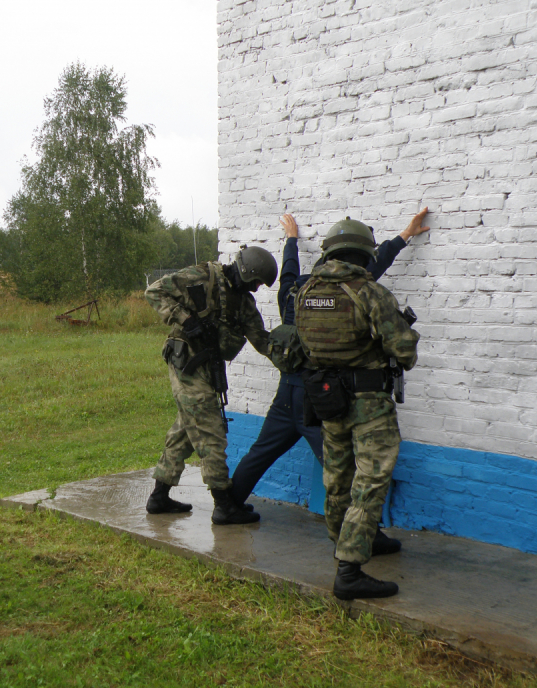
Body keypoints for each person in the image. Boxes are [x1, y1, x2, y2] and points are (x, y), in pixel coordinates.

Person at [230, 209, 429, 558]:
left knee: (263, 452)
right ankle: (365, 536)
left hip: (291, 390)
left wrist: (291, 239)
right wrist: (403, 236)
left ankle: (227, 503)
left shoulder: (298, 292)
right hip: (322, 393)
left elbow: (290, 268)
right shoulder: (350, 291)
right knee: (346, 471)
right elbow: (373, 266)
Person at [294, 219, 420, 600]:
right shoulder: (370, 293)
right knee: (370, 481)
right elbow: (405, 352)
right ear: (365, 253)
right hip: (369, 405)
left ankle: (350, 542)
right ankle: (349, 569)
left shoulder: (305, 292)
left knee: (337, 479)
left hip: (329, 400)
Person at [144, 244, 278, 525]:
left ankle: (159, 496)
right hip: (186, 364)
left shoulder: (243, 303)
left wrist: (298, 356)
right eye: (254, 282)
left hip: (207, 368)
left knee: (185, 431)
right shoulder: (201, 276)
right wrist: (185, 319)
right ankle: (224, 504)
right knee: (210, 432)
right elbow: (153, 291)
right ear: (245, 270)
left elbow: (263, 342)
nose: (254, 289)